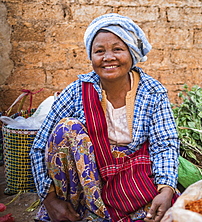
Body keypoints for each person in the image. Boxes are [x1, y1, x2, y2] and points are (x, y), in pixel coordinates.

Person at [30, 13, 180, 222]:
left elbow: (164, 144)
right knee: (67, 128)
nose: (108, 57)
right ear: (91, 56)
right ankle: (80, 210)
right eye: (99, 51)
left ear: (132, 52)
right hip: (88, 179)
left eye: (117, 49)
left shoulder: (152, 92)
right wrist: (49, 198)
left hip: (133, 178)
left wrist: (166, 189)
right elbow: (39, 145)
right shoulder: (77, 92)